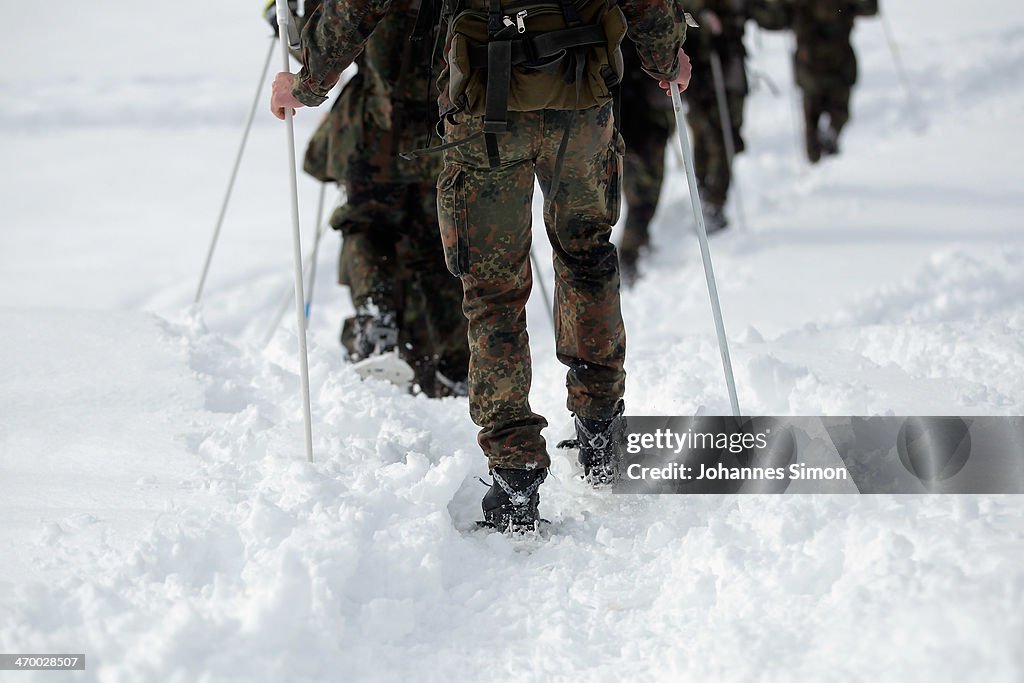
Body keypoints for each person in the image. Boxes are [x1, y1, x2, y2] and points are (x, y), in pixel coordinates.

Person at [272, 0, 691, 532]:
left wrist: (308, 81)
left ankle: (515, 478)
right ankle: (601, 431)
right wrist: (666, 55)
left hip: (487, 109)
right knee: (587, 256)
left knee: (494, 289)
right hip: (581, 96)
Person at [270, 0, 470, 397]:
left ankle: (376, 315)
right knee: (442, 242)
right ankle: (456, 360)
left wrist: (284, 28)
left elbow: (324, 40)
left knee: (365, 225)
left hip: (375, 129)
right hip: (449, 128)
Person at [783, 0, 879, 163]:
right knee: (821, 118)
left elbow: (869, 8)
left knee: (831, 116)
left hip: (830, 65)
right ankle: (817, 160)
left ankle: (823, 150)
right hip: (818, 65)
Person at [617, 44, 675, 285]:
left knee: (641, 192)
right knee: (642, 195)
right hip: (636, 121)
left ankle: (636, 245)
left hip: (638, 120)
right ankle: (629, 255)